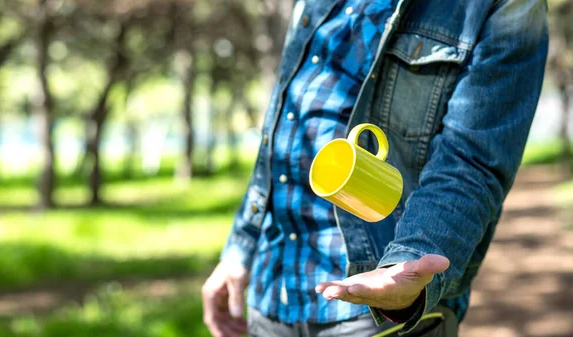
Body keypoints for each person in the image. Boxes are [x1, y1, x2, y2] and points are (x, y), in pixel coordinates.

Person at [201, 0, 548, 336]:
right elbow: (287, 115)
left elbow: (471, 158)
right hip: (274, 289)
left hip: (374, 305)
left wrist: (408, 261)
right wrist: (241, 245)